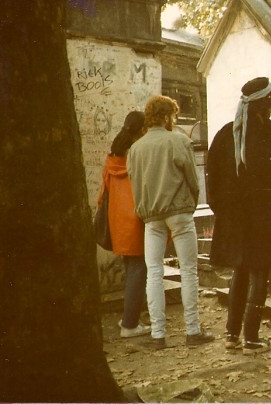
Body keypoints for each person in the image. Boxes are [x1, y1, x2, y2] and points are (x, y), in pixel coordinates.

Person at [206, 77, 271, 355]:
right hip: (266, 218)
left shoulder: (223, 136)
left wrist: (223, 211)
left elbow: (212, 180)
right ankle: (252, 338)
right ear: (266, 108)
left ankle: (232, 335)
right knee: (260, 274)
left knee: (239, 271)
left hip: (234, 218)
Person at [127, 95, 214, 349]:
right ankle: (192, 330)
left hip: (150, 216)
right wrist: (189, 202)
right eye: (173, 116)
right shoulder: (178, 141)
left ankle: (158, 334)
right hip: (179, 212)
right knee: (188, 271)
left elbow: (134, 183)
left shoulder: (136, 149)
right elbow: (193, 179)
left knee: (153, 273)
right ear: (166, 117)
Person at [98, 111, 150, 338]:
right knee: (139, 270)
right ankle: (130, 324)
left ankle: (130, 319)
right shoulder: (138, 155)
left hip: (117, 221)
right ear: (141, 130)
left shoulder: (113, 157)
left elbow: (103, 194)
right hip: (136, 219)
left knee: (132, 270)